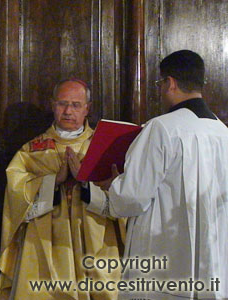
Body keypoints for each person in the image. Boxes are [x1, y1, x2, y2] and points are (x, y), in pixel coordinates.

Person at [92, 50, 228, 299]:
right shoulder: (222, 132)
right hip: (213, 259)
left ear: (170, 83)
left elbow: (132, 197)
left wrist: (114, 184)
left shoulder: (162, 128)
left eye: (160, 83)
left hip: (164, 259)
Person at [0, 79, 125, 300]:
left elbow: (122, 200)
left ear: (87, 109)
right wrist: (53, 181)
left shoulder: (104, 147)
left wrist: (85, 181)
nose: (68, 111)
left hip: (94, 238)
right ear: (53, 105)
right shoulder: (31, 151)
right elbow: (16, 198)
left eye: (75, 105)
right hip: (44, 242)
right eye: (62, 104)